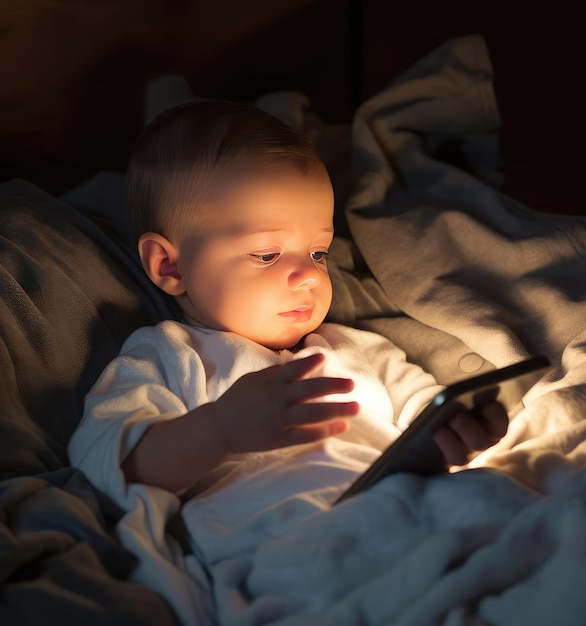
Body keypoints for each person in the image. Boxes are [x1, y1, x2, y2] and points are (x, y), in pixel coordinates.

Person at [68, 99, 507, 504]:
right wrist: (220, 431)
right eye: (267, 254)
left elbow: (422, 408)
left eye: (319, 252)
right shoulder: (170, 356)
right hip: (285, 537)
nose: (311, 275)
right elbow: (109, 461)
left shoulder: (354, 349)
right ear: (170, 266)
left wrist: (458, 430)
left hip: (404, 502)